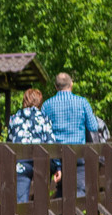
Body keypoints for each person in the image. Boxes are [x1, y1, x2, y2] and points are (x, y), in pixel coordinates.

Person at [41, 71, 105, 202]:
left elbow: (42, 130)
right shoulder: (82, 102)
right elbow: (93, 126)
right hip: (78, 153)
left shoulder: (47, 105)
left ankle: (63, 214)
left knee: (61, 191)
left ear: (56, 86)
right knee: (80, 191)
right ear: (71, 84)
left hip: (57, 156)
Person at [7, 86, 56, 202]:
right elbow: (50, 142)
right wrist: (56, 166)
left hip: (20, 162)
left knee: (20, 201)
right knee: (41, 201)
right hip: (40, 162)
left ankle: (22, 213)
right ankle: (40, 213)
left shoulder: (14, 118)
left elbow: (9, 141)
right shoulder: (43, 118)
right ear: (39, 102)